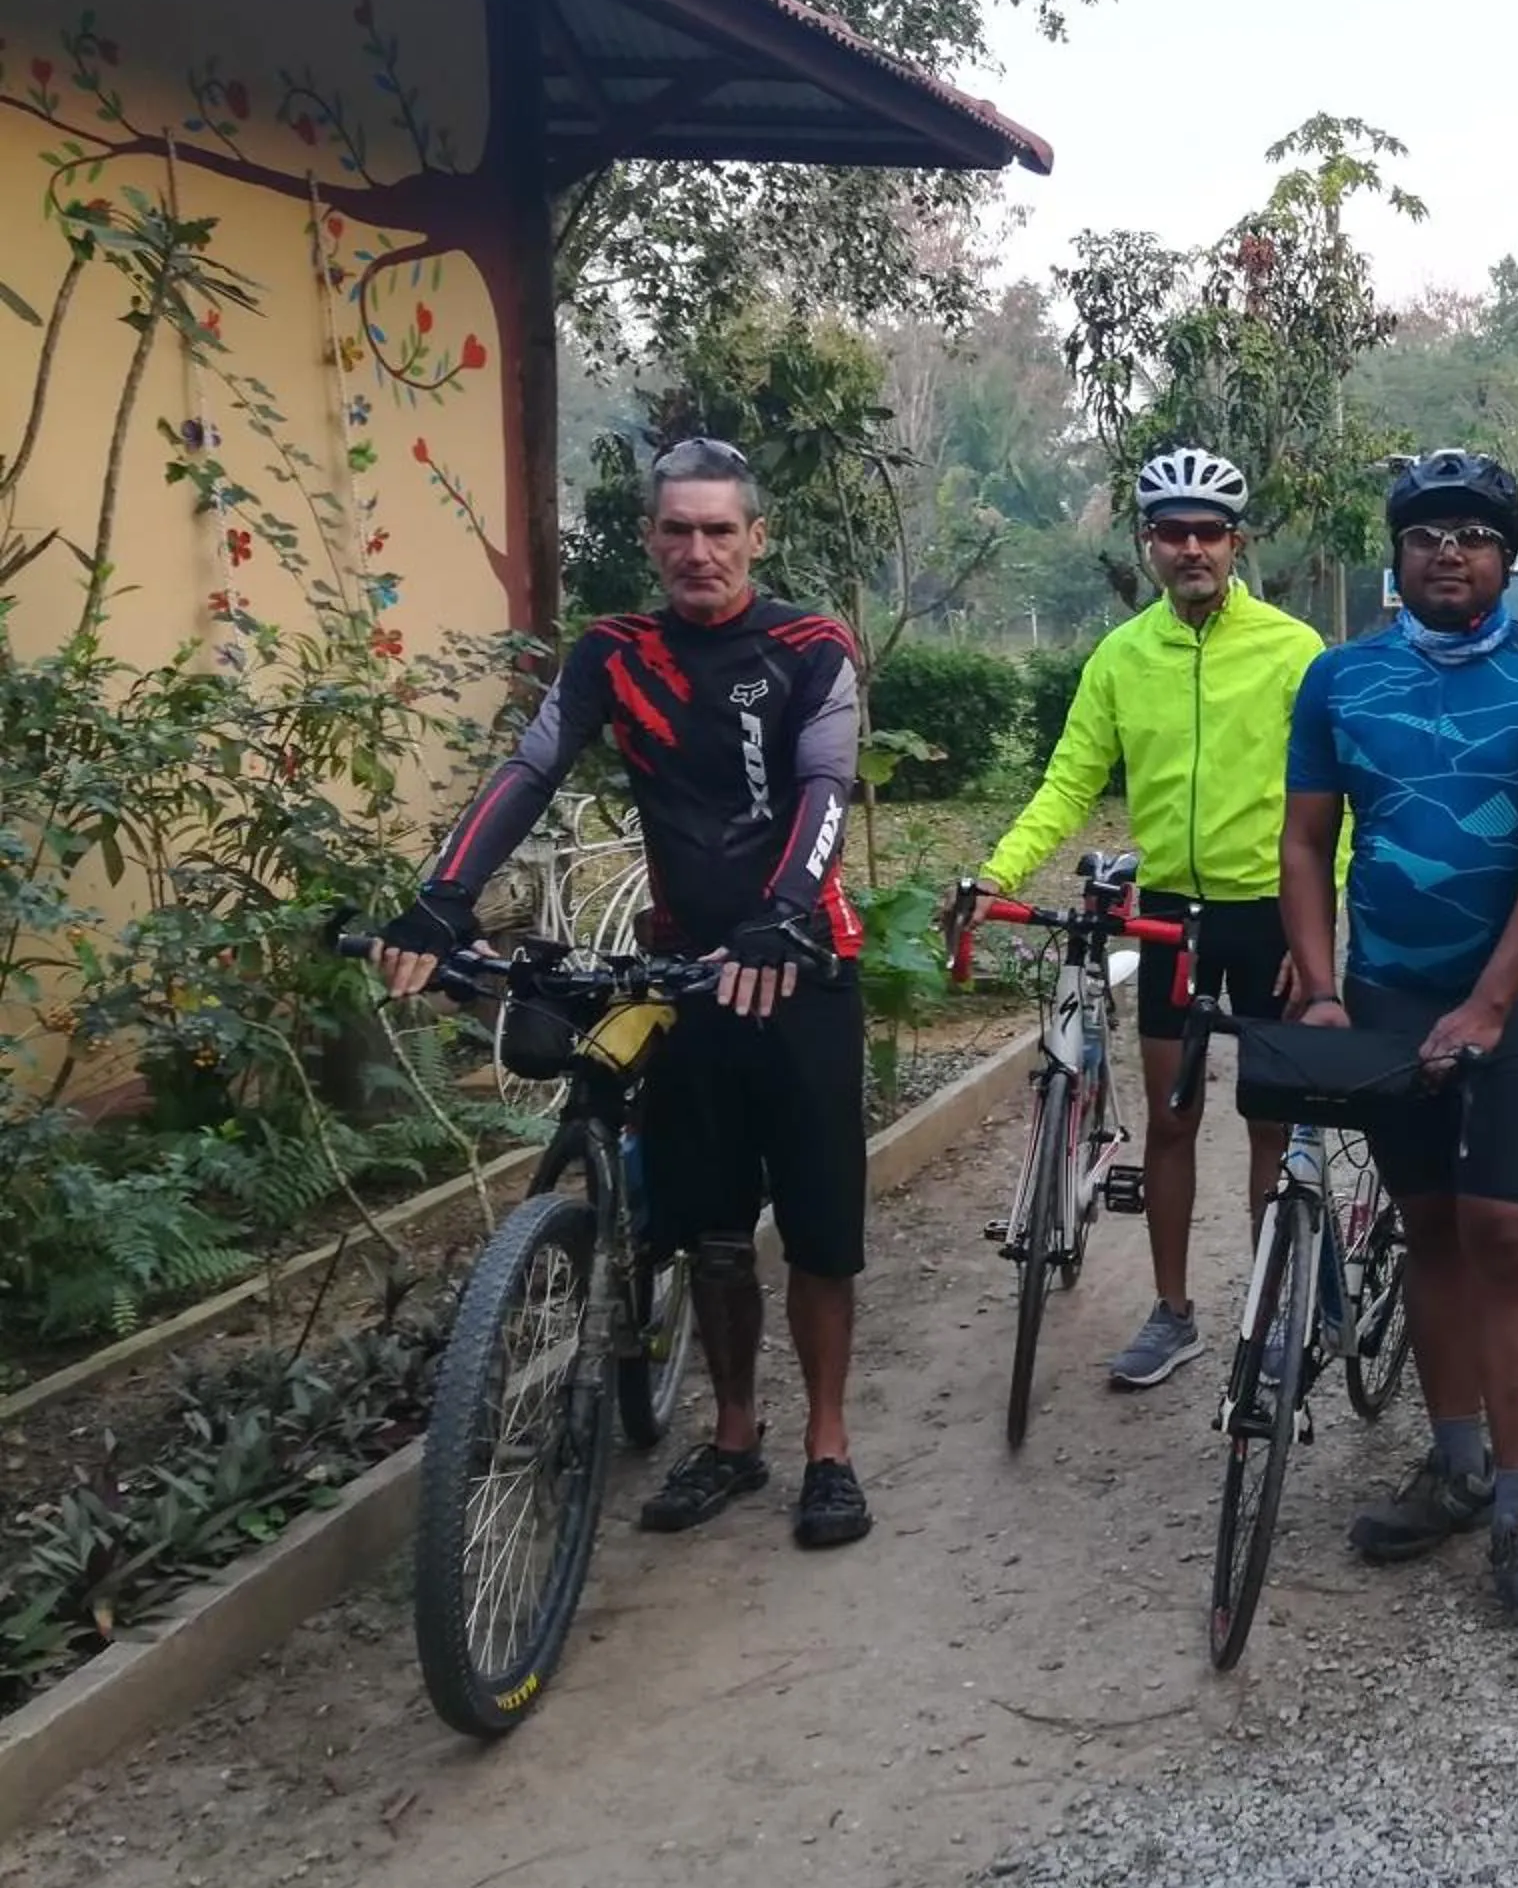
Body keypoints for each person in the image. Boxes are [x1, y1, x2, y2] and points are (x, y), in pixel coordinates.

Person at [367, 437, 876, 1549]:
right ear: (650, 540)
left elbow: (826, 786)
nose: (699, 551)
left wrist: (783, 912)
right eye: (677, 531)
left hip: (802, 966)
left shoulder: (807, 647)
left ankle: (828, 1447)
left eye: (719, 530)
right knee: (712, 1230)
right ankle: (734, 1437)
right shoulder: (616, 652)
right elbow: (531, 768)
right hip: (686, 972)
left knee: (821, 1230)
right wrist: (443, 901)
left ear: (755, 537)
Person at [1278, 448, 1518, 1632]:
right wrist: (1322, 990)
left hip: (1514, 1005)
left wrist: (1489, 1004)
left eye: (1473, 535)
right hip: (1384, 997)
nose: (1449, 553)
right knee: (1427, 1226)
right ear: (1398, 557)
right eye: (1425, 535)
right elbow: (1307, 841)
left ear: (1507, 558)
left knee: (1508, 1235)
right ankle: (1457, 1462)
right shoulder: (1338, 680)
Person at [945, 447, 1325, 1390]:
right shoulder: (1121, 656)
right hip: (1172, 916)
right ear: (1147, 543)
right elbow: (1069, 780)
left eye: (1209, 532)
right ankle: (1173, 1312)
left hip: (1270, 910)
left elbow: (1335, 801)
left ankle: (1271, 1312)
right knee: (1171, 1119)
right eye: (1172, 532)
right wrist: (995, 873)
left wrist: (1318, 927)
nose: (1192, 549)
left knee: (1271, 1123)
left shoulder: (1293, 649)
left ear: (1237, 542)